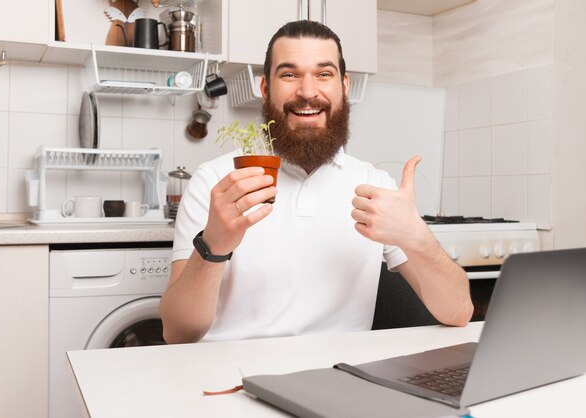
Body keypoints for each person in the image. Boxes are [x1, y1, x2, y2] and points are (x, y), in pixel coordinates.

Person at [160, 20, 473, 344]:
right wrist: (213, 244)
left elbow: (458, 311)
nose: (308, 92)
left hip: (337, 380)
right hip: (229, 380)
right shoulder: (216, 182)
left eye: (324, 74)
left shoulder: (374, 184)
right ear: (265, 88)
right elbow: (178, 333)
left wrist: (416, 236)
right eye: (290, 74)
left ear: (344, 85)